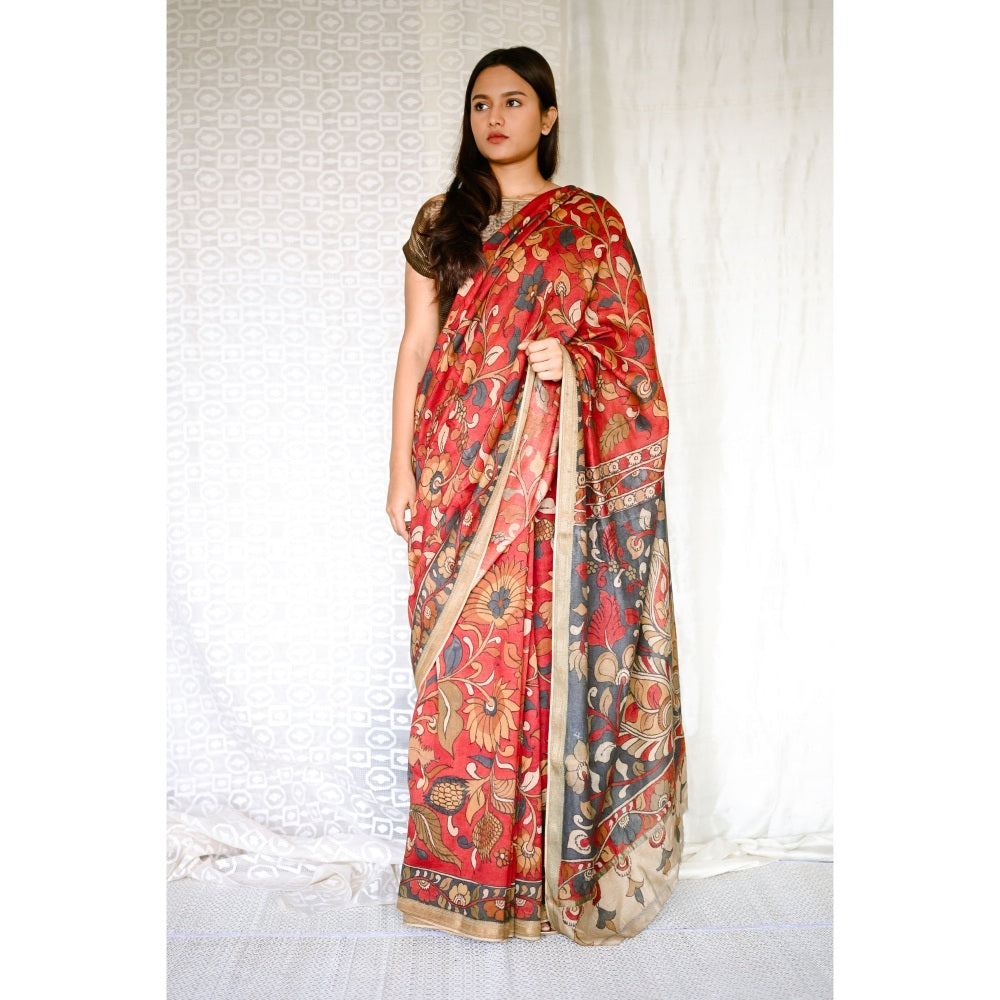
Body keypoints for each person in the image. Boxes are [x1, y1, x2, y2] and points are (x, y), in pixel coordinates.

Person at [386, 46, 687, 945]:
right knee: (457, 666)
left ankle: (538, 878)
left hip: (549, 476)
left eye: (514, 102)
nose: (495, 118)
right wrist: (399, 469)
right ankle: (458, 872)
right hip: (456, 467)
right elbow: (417, 346)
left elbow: (630, 356)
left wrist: (574, 364)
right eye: (481, 103)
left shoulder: (587, 224)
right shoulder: (442, 220)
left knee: (538, 657)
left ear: (548, 117)